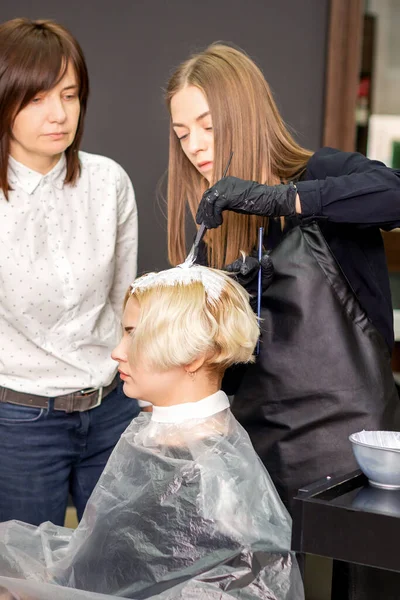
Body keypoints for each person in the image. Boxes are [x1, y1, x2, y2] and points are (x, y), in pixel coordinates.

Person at [165, 43, 400, 600]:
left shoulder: (323, 176)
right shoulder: (209, 219)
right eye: (182, 134)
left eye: (207, 126)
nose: (195, 146)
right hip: (258, 465)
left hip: (354, 464)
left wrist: (278, 200)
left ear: (242, 114)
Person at [0, 264, 304, 600]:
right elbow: (101, 565)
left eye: (134, 334)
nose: (117, 352)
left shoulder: (213, 479)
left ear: (196, 354)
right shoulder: (155, 437)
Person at [0, 18, 139, 527]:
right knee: (24, 578)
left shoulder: (108, 184)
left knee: (119, 564)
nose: (59, 114)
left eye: (70, 94)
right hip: (18, 421)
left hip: (111, 409)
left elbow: (127, 305)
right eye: (36, 98)